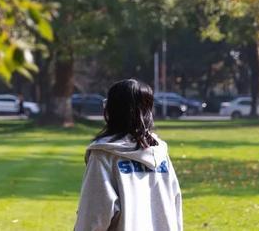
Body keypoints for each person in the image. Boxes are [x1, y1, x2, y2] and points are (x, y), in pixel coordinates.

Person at [74, 79, 182, 231]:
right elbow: (175, 206)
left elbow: (94, 215)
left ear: (111, 110)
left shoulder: (104, 154)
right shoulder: (159, 152)